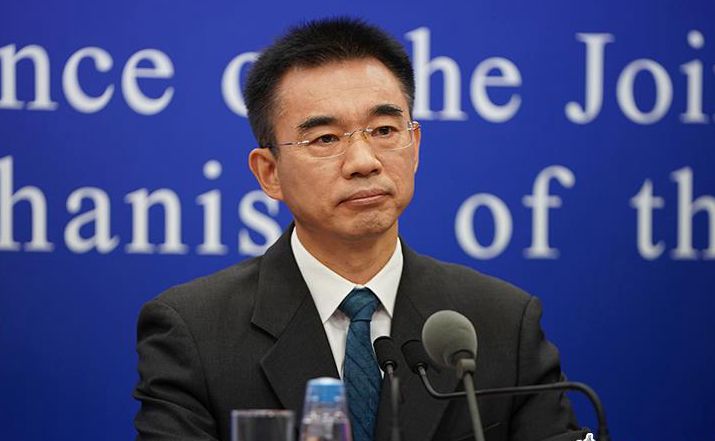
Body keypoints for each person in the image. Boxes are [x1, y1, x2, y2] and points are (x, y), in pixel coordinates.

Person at [133, 17, 586, 441]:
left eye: (384, 130)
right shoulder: (194, 332)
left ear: (415, 146)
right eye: (326, 139)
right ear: (269, 172)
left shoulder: (501, 322)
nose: (364, 162)